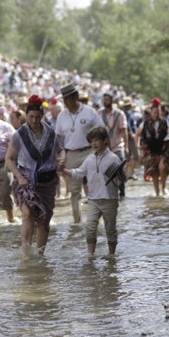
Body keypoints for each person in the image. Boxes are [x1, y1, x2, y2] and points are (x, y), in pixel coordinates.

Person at [5, 95, 64, 255]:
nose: (34, 120)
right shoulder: (19, 135)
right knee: (27, 214)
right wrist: (19, 177)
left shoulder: (51, 133)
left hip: (48, 182)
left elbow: (60, 150)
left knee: (44, 220)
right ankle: (26, 252)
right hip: (26, 181)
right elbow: (9, 159)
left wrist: (61, 159)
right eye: (31, 117)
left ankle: (40, 255)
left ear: (42, 116)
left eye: (38, 117)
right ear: (27, 115)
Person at [63, 126, 125, 257]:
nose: (94, 144)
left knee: (110, 229)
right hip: (93, 200)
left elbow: (123, 179)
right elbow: (78, 173)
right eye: (91, 141)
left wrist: (119, 173)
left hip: (109, 199)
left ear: (105, 141)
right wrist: (63, 171)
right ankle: (90, 255)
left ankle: (111, 255)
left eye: (97, 140)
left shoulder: (113, 158)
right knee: (90, 227)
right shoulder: (90, 159)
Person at [55, 83, 104, 223]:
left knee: (94, 185)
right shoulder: (61, 116)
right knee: (74, 190)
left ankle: (96, 219)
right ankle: (77, 221)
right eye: (64, 100)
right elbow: (57, 138)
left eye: (69, 98)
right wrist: (59, 156)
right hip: (71, 154)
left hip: (90, 151)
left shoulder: (89, 112)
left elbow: (102, 130)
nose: (67, 102)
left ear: (76, 97)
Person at [99, 91, 129, 198]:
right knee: (104, 171)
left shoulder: (119, 114)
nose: (105, 102)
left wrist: (126, 147)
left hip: (117, 146)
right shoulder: (100, 114)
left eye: (107, 100)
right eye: (104, 100)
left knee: (119, 168)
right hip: (105, 148)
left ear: (112, 100)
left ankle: (122, 192)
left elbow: (124, 131)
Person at [138, 102, 169, 196]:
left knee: (162, 167)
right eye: (154, 112)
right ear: (151, 112)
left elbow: (168, 134)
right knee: (154, 172)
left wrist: (168, 146)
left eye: (158, 112)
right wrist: (142, 147)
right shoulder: (146, 123)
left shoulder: (164, 122)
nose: (156, 114)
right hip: (150, 151)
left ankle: (163, 188)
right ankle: (157, 193)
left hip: (162, 150)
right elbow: (142, 137)